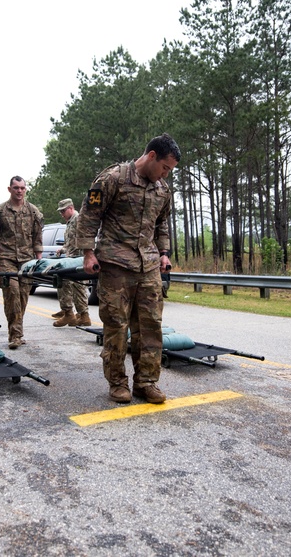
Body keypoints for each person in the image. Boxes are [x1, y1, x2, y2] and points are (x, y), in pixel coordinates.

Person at [76, 133, 180, 404]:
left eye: (170, 171)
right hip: (115, 264)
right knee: (116, 326)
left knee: (150, 326)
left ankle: (146, 382)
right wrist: (88, 253)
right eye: (165, 167)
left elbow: (162, 225)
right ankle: (117, 382)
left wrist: (164, 254)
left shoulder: (162, 190)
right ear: (152, 156)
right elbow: (89, 217)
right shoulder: (113, 179)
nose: (165, 175)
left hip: (148, 265)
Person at [0, 176, 43, 349]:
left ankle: (16, 330)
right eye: (16, 188)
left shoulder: (34, 212)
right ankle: (15, 335)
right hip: (6, 259)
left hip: (27, 260)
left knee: (23, 296)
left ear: (25, 190)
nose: (19, 191)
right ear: (9, 189)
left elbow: (38, 238)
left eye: (22, 188)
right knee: (12, 294)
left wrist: (40, 263)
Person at [52, 198, 91, 328]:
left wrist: (86, 257)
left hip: (78, 259)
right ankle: (73, 314)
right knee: (67, 285)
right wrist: (63, 249)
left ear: (71, 208)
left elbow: (85, 238)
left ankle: (81, 315)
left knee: (78, 287)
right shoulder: (70, 222)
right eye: (60, 212)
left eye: (63, 211)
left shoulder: (78, 220)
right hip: (71, 258)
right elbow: (71, 242)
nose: (62, 214)